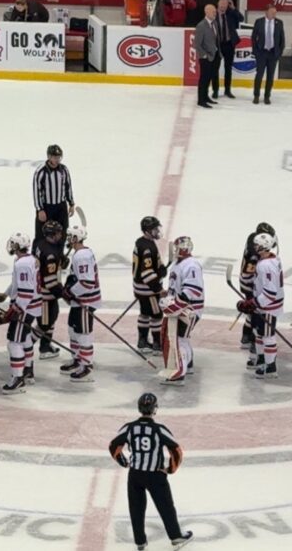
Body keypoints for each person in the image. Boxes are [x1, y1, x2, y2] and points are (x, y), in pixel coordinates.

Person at [108, 393, 194, 551]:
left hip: (135, 475)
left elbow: (114, 446)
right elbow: (176, 451)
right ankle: (175, 536)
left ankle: (140, 542)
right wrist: (170, 469)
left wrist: (123, 461)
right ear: (154, 409)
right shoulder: (159, 429)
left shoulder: (129, 428)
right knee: (166, 506)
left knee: (136, 508)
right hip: (155, 475)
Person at [0, 233, 41, 394]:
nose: (11, 246)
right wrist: (7, 293)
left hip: (25, 307)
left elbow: (26, 292)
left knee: (14, 342)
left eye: (13, 243)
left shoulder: (22, 264)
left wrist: (11, 312)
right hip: (32, 305)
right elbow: (18, 284)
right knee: (26, 338)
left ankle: (18, 378)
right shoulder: (27, 259)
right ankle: (28, 371)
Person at [237, 233, 284, 379]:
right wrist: (254, 304)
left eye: (256, 245)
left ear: (263, 247)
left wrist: (253, 303)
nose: (254, 247)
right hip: (263, 306)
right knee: (259, 334)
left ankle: (270, 367)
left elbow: (270, 292)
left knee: (268, 336)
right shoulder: (270, 260)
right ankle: (262, 359)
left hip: (268, 307)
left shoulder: (265, 265)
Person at [161, 236, 204, 384]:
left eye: (178, 248)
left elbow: (193, 290)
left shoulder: (191, 265)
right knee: (182, 338)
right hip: (180, 308)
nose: (175, 250)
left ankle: (179, 374)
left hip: (188, 310)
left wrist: (175, 302)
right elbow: (178, 288)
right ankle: (188, 365)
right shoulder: (177, 264)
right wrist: (168, 294)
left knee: (179, 340)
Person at [61, 225, 100, 382]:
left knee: (83, 334)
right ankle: (78, 359)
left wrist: (71, 292)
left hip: (85, 301)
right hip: (79, 301)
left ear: (76, 238)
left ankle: (87, 366)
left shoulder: (81, 256)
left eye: (70, 236)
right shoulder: (80, 253)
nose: (68, 239)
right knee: (73, 330)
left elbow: (87, 282)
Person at [133, 216, 166, 354]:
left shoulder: (141, 242)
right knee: (157, 315)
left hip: (139, 288)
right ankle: (157, 344)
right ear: (147, 231)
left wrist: (160, 268)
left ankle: (142, 341)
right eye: (154, 229)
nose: (157, 231)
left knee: (144, 313)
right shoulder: (147, 247)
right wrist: (159, 289)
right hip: (148, 290)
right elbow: (147, 273)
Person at [32, 144, 75, 249]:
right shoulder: (40, 172)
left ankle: (59, 256)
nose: (57, 159)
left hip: (61, 207)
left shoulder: (64, 170)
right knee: (41, 234)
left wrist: (71, 203)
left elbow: (68, 187)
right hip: (46, 207)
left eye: (59, 157)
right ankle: (38, 256)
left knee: (62, 232)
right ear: (49, 157)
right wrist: (40, 209)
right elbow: (36, 191)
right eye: (55, 157)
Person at [34, 220, 67, 359]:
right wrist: (64, 293)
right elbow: (50, 281)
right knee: (44, 323)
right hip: (45, 295)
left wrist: (62, 260)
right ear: (52, 234)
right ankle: (26, 347)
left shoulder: (41, 244)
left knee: (52, 318)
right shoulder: (50, 254)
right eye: (58, 232)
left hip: (45, 293)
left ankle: (46, 345)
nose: (60, 234)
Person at [240, 222, 275, 350]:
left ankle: (246, 336)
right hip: (250, 284)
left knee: (251, 310)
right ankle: (253, 340)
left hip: (246, 281)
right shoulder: (256, 254)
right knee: (255, 312)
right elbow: (252, 274)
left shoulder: (252, 239)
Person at [251, 4, 284, 105]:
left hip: (273, 54)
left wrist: (279, 53)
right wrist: (256, 52)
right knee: (259, 75)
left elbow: (282, 39)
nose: (274, 14)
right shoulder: (259, 22)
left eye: (275, 12)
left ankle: (267, 96)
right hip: (261, 53)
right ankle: (256, 95)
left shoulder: (279, 23)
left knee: (270, 76)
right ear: (266, 12)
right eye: (272, 12)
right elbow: (253, 38)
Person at [212, 0, 243, 99]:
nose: (223, 6)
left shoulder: (231, 13)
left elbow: (241, 18)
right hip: (217, 45)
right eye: (222, 4)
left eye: (225, 5)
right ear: (218, 4)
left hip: (229, 45)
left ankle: (227, 90)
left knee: (228, 68)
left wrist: (233, 8)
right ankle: (215, 90)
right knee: (215, 69)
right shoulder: (213, 14)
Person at [193, 4, 220, 109]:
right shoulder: (201, 26)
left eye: (215, 11)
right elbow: (197, 44)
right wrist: (204, 55)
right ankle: (201, 100)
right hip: (205, 58)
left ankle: (206, 96)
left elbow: (215, 40)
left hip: (214, 56)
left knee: (209, 78)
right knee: (204, 79)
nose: (215, 13)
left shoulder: (215, 23)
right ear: (207, 12)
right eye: (213, 11)